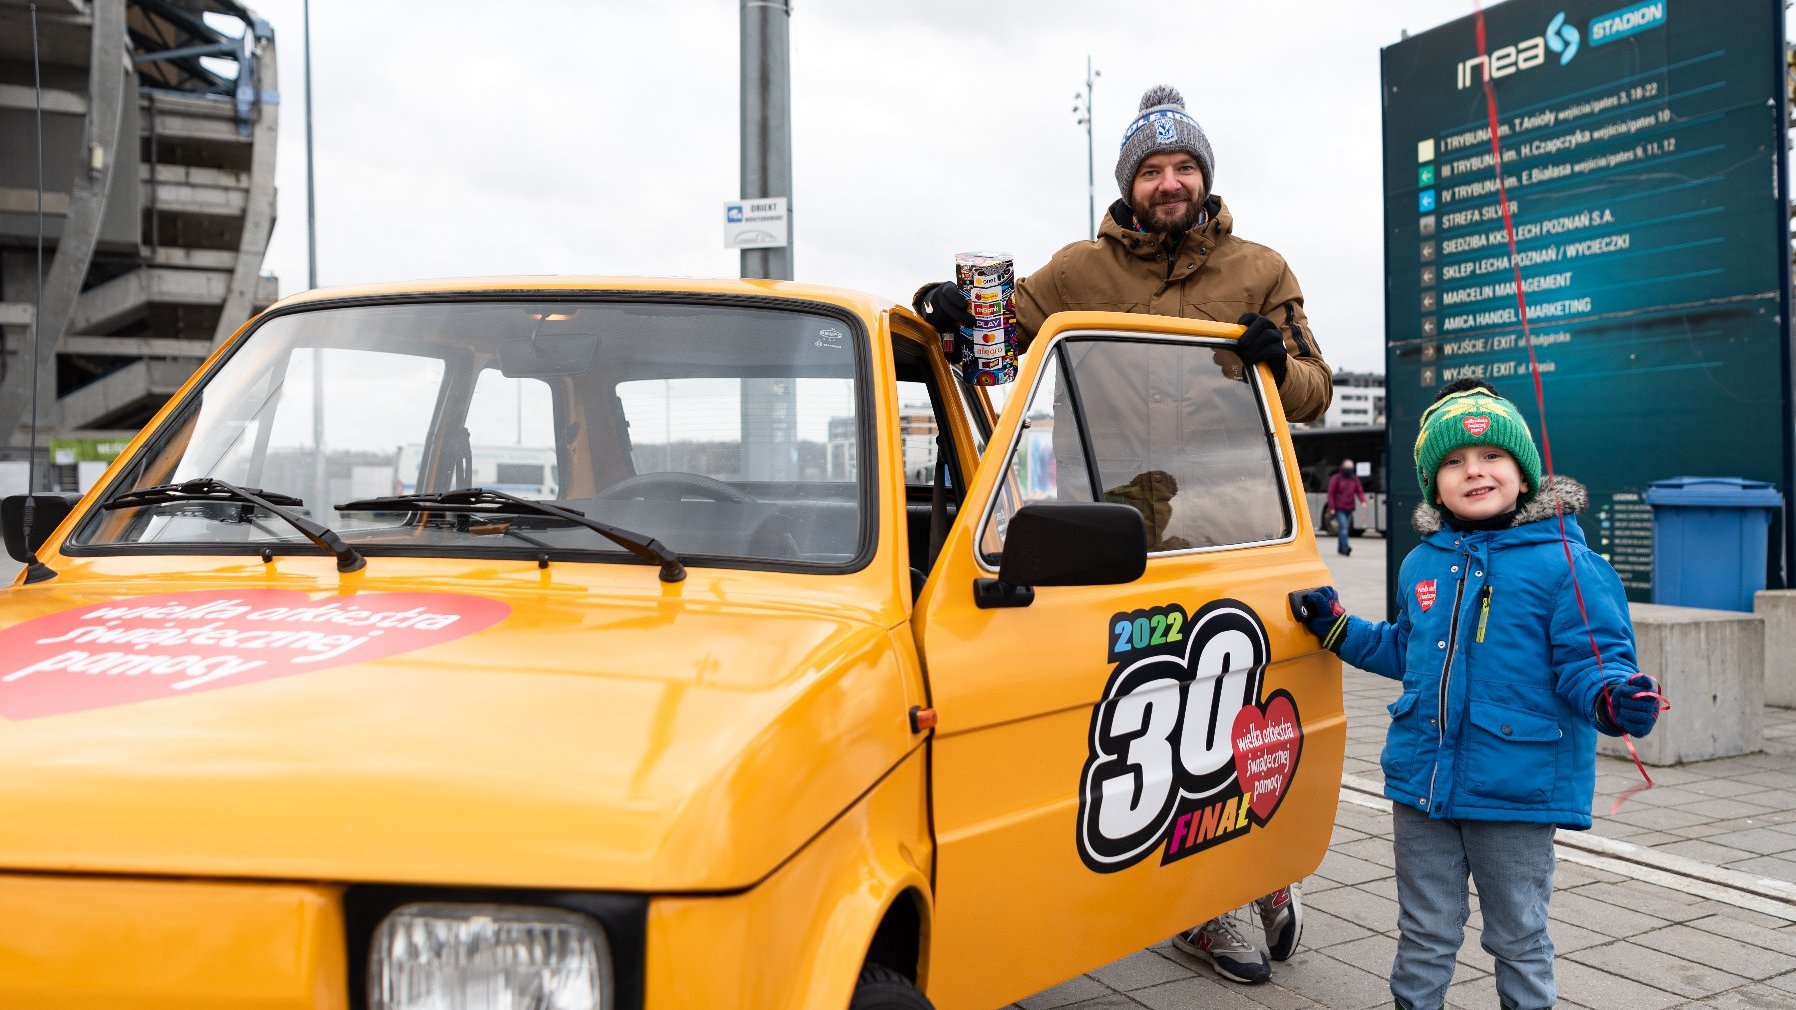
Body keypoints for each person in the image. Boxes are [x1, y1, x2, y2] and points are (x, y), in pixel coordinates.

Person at [914, 83, 1329, 985]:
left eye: (1184, 166)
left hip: (1235, 524)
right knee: (1153, 707)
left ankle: (1259, 868)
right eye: (1153, 169)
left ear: (1205, 177)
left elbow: (1315, 391)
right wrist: (947, 312)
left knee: (1239, 689)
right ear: (1129, 182)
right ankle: (1206, 899)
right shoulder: (1076, 272)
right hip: (1117, 530)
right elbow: (989, 343)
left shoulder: (1260, 269)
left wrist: (1275, 360)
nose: (1169, 182)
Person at [1296, 378, 1663, 1010]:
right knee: (1424, 933)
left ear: (1524, 475)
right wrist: (1337, 629)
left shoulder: (1568, 564)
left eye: (1492, 456)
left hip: (1515, 792)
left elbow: (1590, 662)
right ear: (1433, 484)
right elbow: (1404, 650)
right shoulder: (1421, 563)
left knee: (1518, 936)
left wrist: (1612, 697)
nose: (1474, 471)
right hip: (1423, 786)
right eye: (1454, 462)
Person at [1326, 458, 1367, 555]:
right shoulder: (1336, 478)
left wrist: (1363, 501)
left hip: (1349, 507)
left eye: (1351, 467)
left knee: (1343, 528)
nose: (1349, 469)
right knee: (1344, 528)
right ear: (1343, 467)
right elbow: (1331, 493)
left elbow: (1359, 490)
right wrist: (1331, 507)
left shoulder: (1354, 479)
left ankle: (1340, 548)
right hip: (1339, 507)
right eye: (1347, 467)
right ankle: (1346, 548)